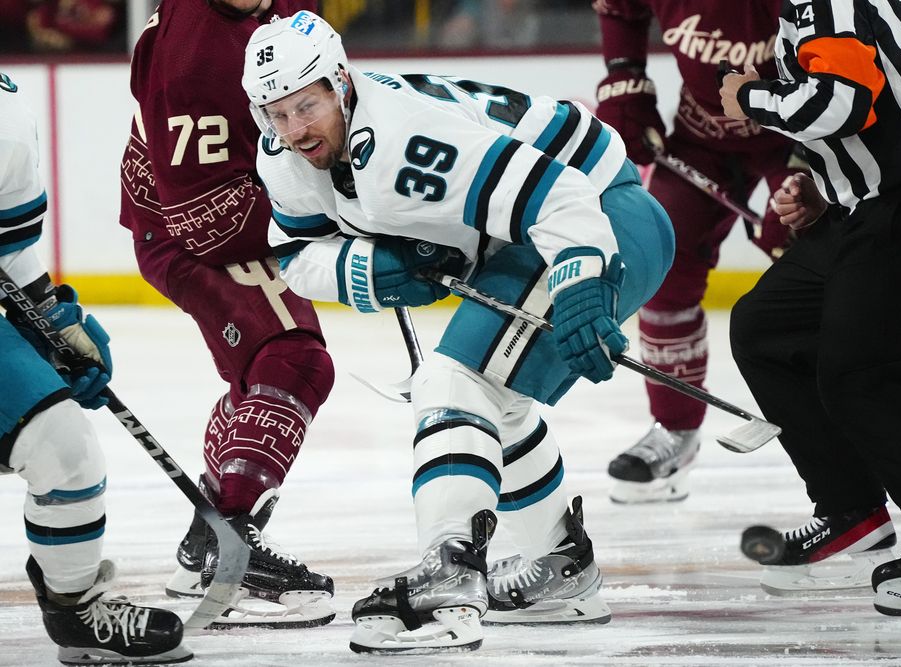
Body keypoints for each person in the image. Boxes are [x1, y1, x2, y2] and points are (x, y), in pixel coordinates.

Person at [239, 10, 674, 652]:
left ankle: (450, 577)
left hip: (605, 215)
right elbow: (297, 254)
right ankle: (559, 567)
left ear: (340, 83)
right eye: (276, 113)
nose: (294, 129)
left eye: (307, 106)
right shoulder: (286, 154)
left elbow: (559, 196)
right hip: (538, 232)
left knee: (454, 381)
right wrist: (372, 269)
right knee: (496, 400)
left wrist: (584, 287)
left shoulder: (403, 142)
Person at [720, 0, 901, 613]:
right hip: (873, 204)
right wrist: (829, 186)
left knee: (864, 376)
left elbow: (842, 103)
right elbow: (884, 104)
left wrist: (752, 97)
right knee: (768, 328)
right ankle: (853, 511)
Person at [118, 0, 335, 627]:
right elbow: (207, 222)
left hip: (232, 197)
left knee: (262, 375)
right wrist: (340, 218)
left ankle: (204, 543)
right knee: (291, 360)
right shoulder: (195, 59)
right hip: (189, 225)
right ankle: (231, 556)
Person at [1, 71, 192, 665]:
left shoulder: (4, 117)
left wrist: (51, 320)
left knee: (65, 448)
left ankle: (76, 607)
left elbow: (9, 246)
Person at [592, 0, 803, 504]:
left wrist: (810, 173)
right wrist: (626, 80)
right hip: (702, 133)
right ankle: (675, 430)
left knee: (816, 268)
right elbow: (621, 9)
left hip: (803, 132)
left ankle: (853, 435)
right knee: (663, 262)